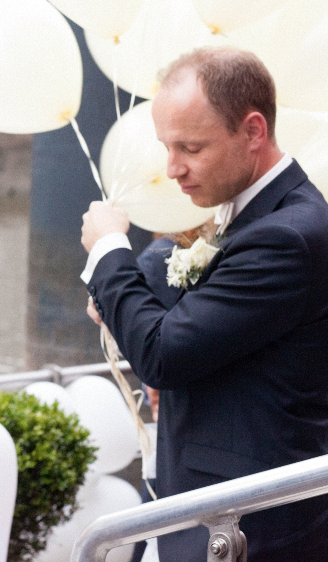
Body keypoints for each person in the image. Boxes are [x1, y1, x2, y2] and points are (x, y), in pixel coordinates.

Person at [80, 47, 328, 561]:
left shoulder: (286, 236)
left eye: (191, 148)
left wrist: (108, 251)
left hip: (249, 526)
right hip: (200, 503)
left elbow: (163, 355)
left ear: (253, 131)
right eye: (167, 147)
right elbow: (195, 295)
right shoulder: (249, 212)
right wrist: (116, 295)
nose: (173, 168)